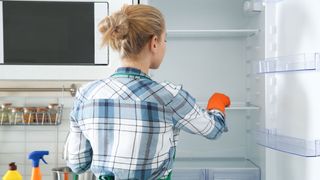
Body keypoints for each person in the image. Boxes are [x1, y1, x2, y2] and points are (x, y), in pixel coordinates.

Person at [64, 4, 230, 180]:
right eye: (165, 40)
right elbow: (214, 129)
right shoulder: (168, 96)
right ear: (154, 43)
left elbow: (77, 163)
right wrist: (217, 102)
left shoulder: (86, 94)